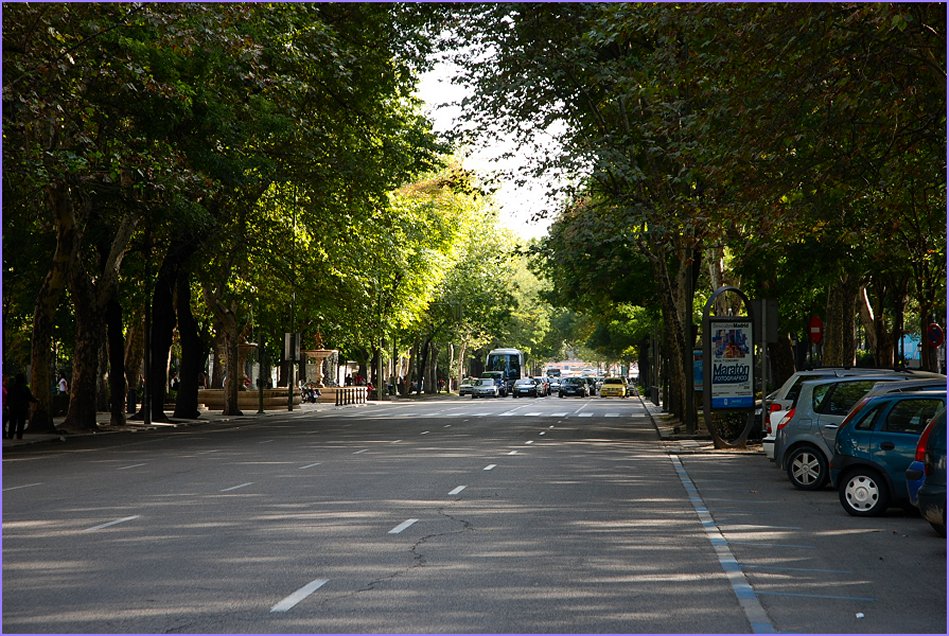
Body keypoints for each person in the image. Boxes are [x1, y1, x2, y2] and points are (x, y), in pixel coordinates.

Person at [7, 373, 39, 440]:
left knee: (12, 422)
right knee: (21, 423)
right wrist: (36, 400)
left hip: (13, 407)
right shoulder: (25, 388)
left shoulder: (11, 387)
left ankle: (10, 435)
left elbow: (8, 397)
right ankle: (19, 436)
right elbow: (29, 397)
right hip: (22, 408)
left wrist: (7, 405)